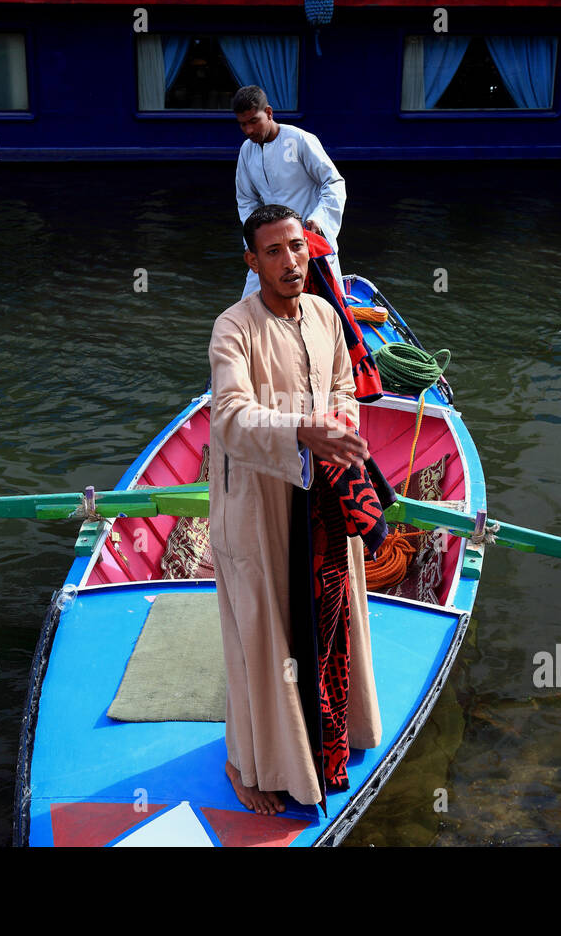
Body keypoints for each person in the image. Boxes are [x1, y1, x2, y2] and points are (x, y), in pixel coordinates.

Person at [208, 204, 382, 815]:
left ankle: (328, 740)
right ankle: (247, 763)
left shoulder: (327, 316)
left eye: (297, 248)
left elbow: (342, 389)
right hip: (255, 507)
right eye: (274, 252)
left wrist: (333, 426)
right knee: (262, 636)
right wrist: (303, 430)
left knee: (326, 623)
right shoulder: (233, 328)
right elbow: (228, 415)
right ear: (251, 263)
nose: (290, 261)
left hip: (319, 497)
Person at [233, 86, 346, 300]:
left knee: (326, 311)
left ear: (268, 113)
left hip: (308, 242)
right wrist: (255, 240)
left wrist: (319, 219)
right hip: (270, 248)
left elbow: (333, 182)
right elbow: (246, 199)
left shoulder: (300, 140)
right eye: (243, 124)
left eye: (253, 121)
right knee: (249, 307)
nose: (248, 130)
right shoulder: (246, 151)